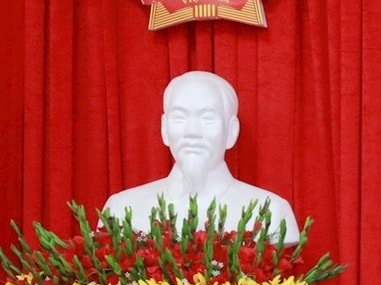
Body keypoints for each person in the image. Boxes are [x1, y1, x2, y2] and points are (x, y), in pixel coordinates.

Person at [101, 70, 301, 239]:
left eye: (207, 118)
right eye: (179, 118)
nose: (192, 132)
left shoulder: (272, 213)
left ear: (231, 131)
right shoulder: (121, 209)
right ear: (164, 129)